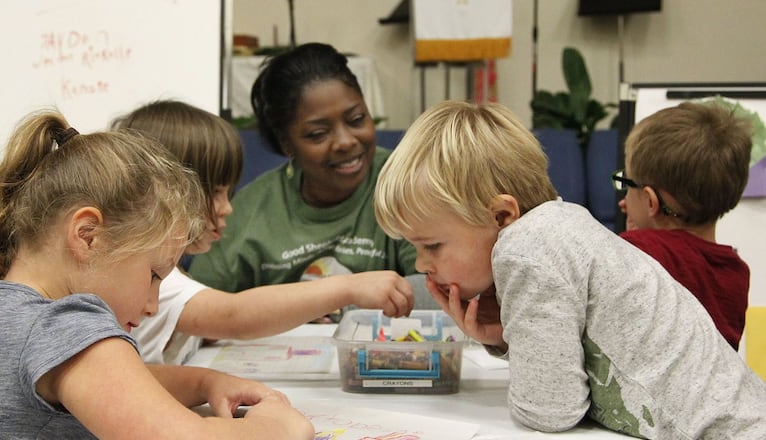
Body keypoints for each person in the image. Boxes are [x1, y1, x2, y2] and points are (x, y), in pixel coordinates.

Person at [373, 100, 766, 438]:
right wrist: (511, 339)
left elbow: (549, 412)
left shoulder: (527, 247)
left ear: (501, 215)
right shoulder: (557, 226)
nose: (422, 263)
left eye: (432, 245)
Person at [0, 110, 314, 439]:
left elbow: (115, 383)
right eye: (153, 274)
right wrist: (277, 427)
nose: (153, 305)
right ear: (88, 236)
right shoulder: (65, 324)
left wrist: (204, 383)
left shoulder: (0, 308)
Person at [113, 100, 414, 365]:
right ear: (166, 196)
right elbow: (234, 316)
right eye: (216, 193)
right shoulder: (159, 282)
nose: (227, 208)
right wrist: (347, 288)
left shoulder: (169, 275)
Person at [189, 42, 423, 317]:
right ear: (286, 144)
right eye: (318, 134)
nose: (346, 141)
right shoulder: (250, 209)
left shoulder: (407, 184)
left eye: (357, 119)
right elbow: (197, 303)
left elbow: (439, 290)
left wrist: (344, 303)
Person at [615, 101, 752, 350]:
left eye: (627, 183)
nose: (623, 199)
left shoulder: (636, 254)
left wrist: (629, 243)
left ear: (650, 201)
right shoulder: (735, 274)